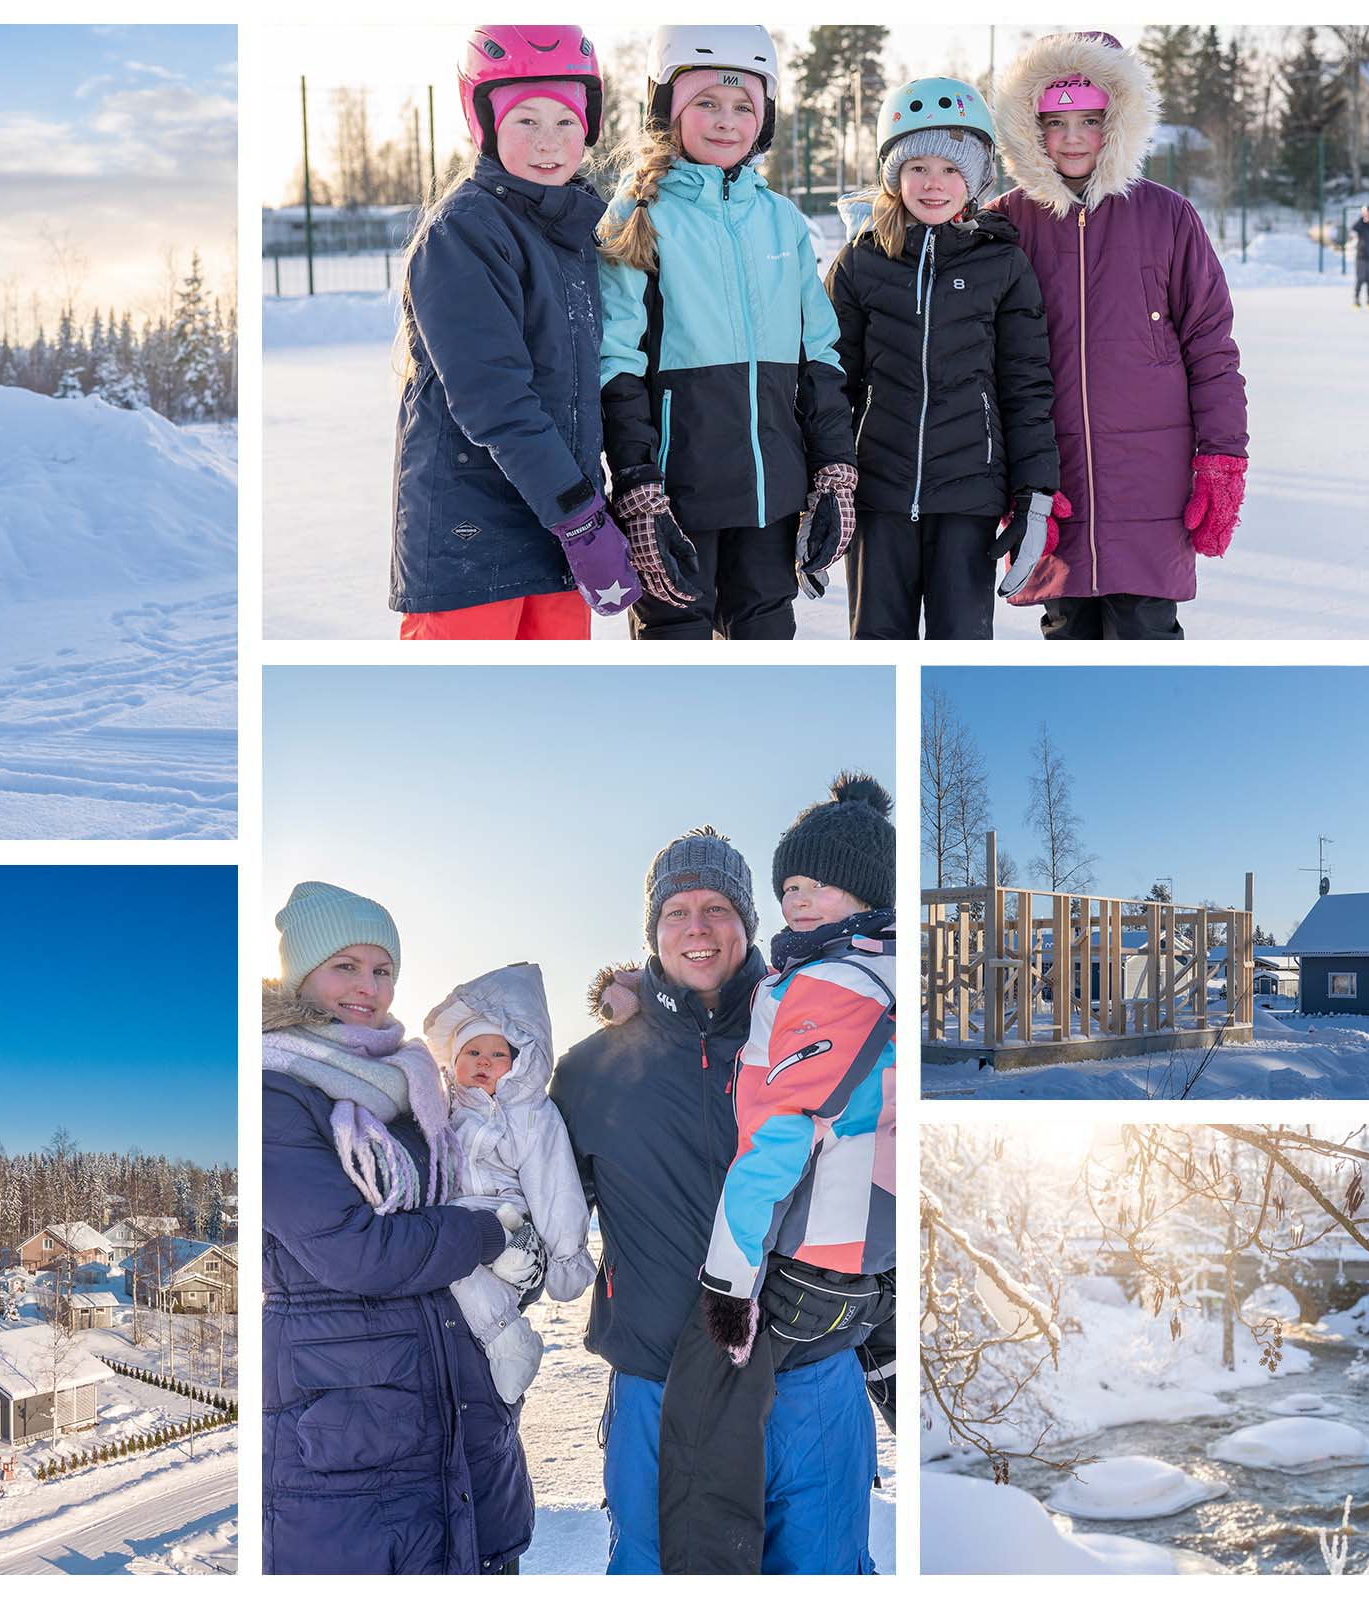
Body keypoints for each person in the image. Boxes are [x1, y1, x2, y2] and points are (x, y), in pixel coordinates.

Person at [549, 829, 880, 1573]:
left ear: (749, 924)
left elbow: (882, 1168)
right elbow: (541, 1204)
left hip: (807, 1374)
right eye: (676, 912)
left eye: (718, 907)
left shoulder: (814, 1029)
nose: (697, 928)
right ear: (652, 931)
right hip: (658, 1383)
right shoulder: (592, 1070)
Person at [263, 882, 542, 1573]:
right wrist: (485, 1237)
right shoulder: (274, 1092)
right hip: (350, 1438)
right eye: (345, 967)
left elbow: (485, 1189)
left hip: (457, 1405)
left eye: (382, 969)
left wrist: (519, 1262)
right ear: (303, 974)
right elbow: (357, 1253)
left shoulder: (417, 1084)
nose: (368, 988)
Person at [661, 774, 898, 1572]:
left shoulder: (826, 984)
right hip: (865, 1265)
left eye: (817, 884)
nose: (799, 900)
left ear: (864, 889)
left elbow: (778, 1141)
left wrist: (728, 1282)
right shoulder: (876, 969)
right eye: (790, 885)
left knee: (709, 1417)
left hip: (805, 1267)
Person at [596, 26, 857, 639]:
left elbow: (819, 355)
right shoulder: (639, 215)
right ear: (669, 113)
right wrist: (637, 484)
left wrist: (834, 470)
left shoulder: (782, 221)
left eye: (744, 107)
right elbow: (616, 361)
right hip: (678, 495)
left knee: (766, 646)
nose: (726, 121)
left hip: (773, 499)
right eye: (706, 103)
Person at [988, 33, 1249, 640]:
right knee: (1068, 627)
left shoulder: (1167, 217)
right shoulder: (1003, 223)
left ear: (1120, 122)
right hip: (1050, 478)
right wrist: (1003, 478)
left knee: (1145, 631)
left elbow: (1212, 347)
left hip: (1151, 479)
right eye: (1055, 122)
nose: (1073, 136)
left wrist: (1222, 457)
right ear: (1030, 129)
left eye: (1090, 119)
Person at [390, 25, 640, 640]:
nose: (548, 142)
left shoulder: (572, 234)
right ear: (486, 125)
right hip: (471, 538)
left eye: (565, 121)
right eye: (526, 120)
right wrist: (580, 516)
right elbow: (493, 397)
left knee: (545, 716)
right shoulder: (466, 231)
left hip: (552, 534)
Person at [826, 78, 1063, 638]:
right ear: (893, 175)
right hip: (879, 495)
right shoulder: (861, 264)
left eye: (953, 170)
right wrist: (824, 483)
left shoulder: (1002, 265)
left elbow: (1025, 386)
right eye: (918, 167)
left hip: (968, 497)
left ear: (977, 179)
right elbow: (831, 382)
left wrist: (1033, 495)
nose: (935, 184)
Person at [424, 963, 595, 1403]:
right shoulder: (440, 1111)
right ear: (454, 1062)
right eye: (472, 1052)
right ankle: (507, 1340)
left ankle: (507, 1344)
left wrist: (565, 1255)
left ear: (518, 1063)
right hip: (455, 1220)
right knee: (453, 1276)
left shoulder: (531, 1115)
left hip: (509, 1223)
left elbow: (555, 1185)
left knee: (466, 1267)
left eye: (498, 1054)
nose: (483, 1062)